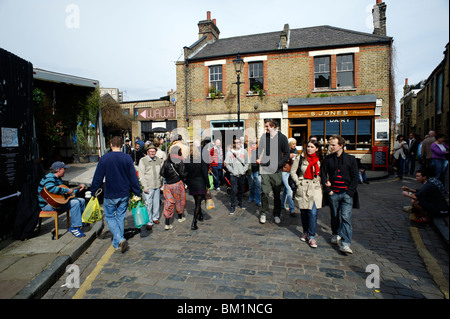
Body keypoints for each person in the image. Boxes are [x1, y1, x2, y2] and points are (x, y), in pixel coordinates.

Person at [91, 136, 141, 253]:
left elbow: (98, 177)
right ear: (122, 145)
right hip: (124, 192)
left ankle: (119, 239)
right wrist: (137, 191)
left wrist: (94, 190)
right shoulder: (127, 158)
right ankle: (117, 242)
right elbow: (133, 177)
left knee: (109, 216)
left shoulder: (105, 158)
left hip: (110, 193)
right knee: (120, 216)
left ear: (111, 145)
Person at [320, 135, 359, 254]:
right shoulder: (328, 159)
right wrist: (328, 190)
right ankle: (336, 233)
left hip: (346, 194)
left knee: (346, 218)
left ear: (341, 146)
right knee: (335, 216)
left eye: (333, 145)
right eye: (330, 145)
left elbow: (355, 177)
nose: (330, 147)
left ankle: (345, 243)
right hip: (334, 193)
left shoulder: (351, 159)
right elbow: (322, 174)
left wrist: (350, 192)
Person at [38, 161, 86, 238]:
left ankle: (83, 221)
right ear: (59, 170)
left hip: (56, 203)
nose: (65, 170)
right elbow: (50, 188)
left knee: (82, 200)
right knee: (75, 203)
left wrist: (77, 190)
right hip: (48, 205)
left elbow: (64, 193)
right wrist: (67, 190)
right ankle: (74, 227)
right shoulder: (49, 177)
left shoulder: (58, 178)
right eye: (64, 169)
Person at [291, 140, 323, 248]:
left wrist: (322, 178)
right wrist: (298, 182)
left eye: (312, 147)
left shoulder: (320, 160)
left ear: (317, 149)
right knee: (304, 213)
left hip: (315, 188)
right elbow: (293, 172)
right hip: (303, 187)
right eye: (308, 146)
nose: (309, 148)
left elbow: (325, 172)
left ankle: (312, 236)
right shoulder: (300, 158)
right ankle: (305, 231)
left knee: (313, 213)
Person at [257, 119, 290, 224]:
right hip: (265, 169)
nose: (265, 128)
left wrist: (278, 164)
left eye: (267, 126)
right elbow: (259, 150)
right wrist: (258, 158)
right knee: (265, 192)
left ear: (273, 127)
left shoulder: (282, 138)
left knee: (276, 194)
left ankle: (276, 214)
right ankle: (264, 213)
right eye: (265, 126)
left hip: (276, 171)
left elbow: (287, 154)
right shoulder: (263, 137)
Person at [138, 144, 163, 237]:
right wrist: (144, 186)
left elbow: (161, 172)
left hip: (157, 185)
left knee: (156, 202)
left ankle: (155, 217)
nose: (152, 153)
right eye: (150, 151)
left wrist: (161, 182)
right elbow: (141, 174)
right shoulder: (143, 160)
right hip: (148, 185)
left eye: (154, 151)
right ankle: (149, 221)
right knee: (148, 204)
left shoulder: (158, 160)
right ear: (147, 152)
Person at [160, 145, 187, 230]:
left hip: (168, 185)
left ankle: (167, 223)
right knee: (179, 201)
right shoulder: (180, 161)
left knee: (168, 202)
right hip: (177, 184)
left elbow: (162, 173)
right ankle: (180, 217)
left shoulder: (166, 161)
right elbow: (183, 174)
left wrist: (168, 176)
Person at [185, 143, 210, 230]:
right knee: (198, 204)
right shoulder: (200, 160)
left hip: (191, 183)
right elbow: (205, 173)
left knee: (196, 201)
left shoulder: (186, 160)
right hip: (200, 183)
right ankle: (194, 222)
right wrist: (208, 185)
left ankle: (200, 215)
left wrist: (187, 183)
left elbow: (185, 173)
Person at [225, 137, 249, 215]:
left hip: (242, 174)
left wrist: (244, 170)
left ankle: (240, 202)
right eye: (237, 142)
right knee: (234, 190)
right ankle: (233, 206)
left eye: (239, 142)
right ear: (234, 144)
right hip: (233, 175)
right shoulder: (229, 153)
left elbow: (247, 162)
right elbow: (227, 164)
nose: (239, 143)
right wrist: (232, 171)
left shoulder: (244, 151)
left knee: (241, 190)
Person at [281, 138, 297, 216]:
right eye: (293, 144)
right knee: (289, 190)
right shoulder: (284, 150)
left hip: (290, 172)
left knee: (285, 190)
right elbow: (281, 160)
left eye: (295, 143)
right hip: (284, 171)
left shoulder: (295, 151)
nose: (295, 145)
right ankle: (292, 209)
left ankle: (281, 204)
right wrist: (289, 157)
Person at [247, 139, 261, 207]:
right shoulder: (248, 150)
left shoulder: (259, 150)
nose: (253, 145)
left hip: (258, 170)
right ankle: (251, 197)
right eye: (252, 144)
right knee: (251, 185)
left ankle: (258, 200)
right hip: (250, 170)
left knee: (258, 186)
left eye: (255, 143)